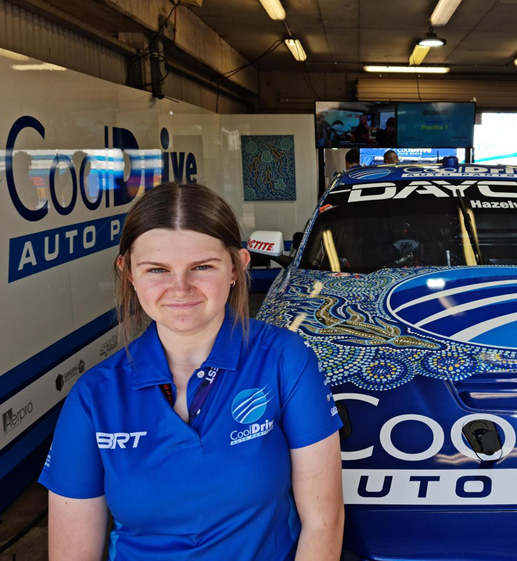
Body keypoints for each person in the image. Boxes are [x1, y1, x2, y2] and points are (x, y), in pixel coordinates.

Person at [40, 183, 344, 561]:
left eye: (202, 266)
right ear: (129, 273)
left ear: (236, 268)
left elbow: (323, 521)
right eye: (157, 269)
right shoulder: (93, 398)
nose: (179, 288)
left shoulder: (284, 360)